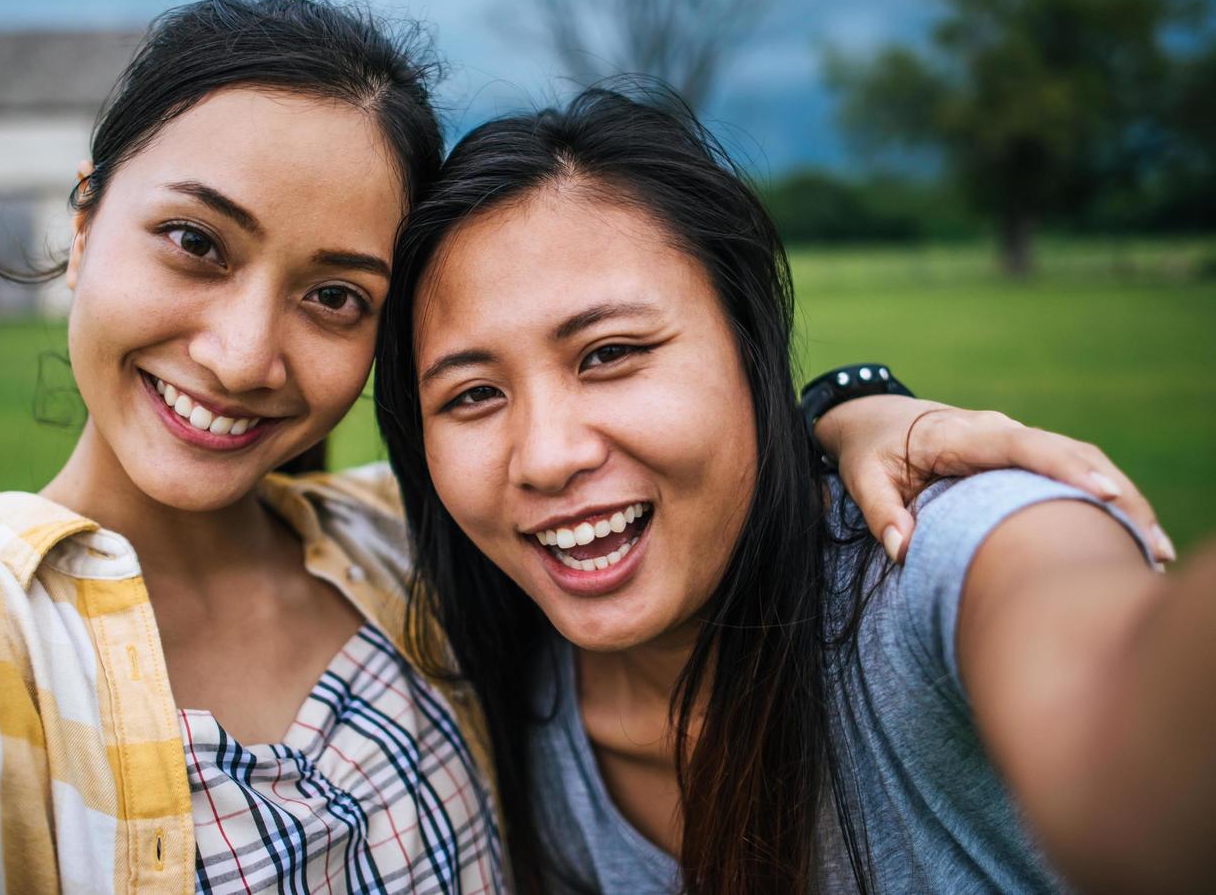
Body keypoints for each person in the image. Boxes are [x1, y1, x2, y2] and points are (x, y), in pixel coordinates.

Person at [0, 0, 1166, 893]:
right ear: (82, 217)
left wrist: (851, 404)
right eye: (192, 243)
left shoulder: (410, 555)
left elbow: (1126, 740)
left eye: (335, 297)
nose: (244, 352)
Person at [373, 86, 1214, 894]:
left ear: (749, 348)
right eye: (472, 394)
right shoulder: (482, 681)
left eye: (609, 354)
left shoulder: (930, 558)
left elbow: (1128, 763)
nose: (547, 458)